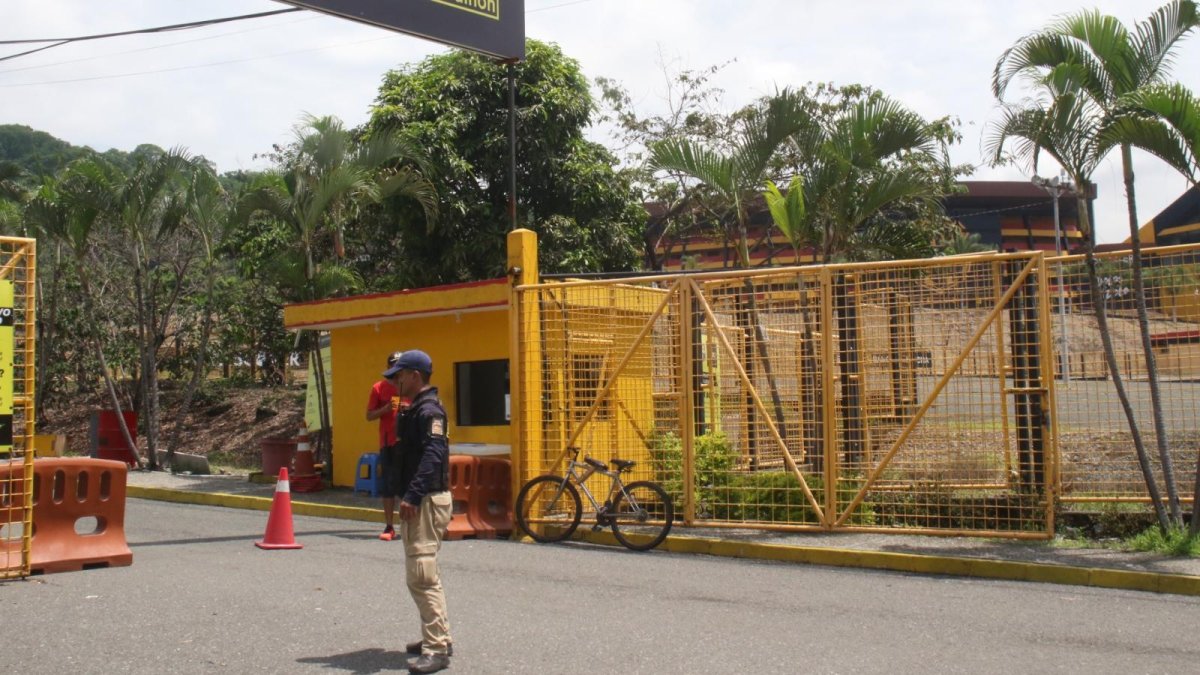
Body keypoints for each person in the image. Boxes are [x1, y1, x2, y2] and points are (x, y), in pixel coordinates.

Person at [383, 349, 453, 675]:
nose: (396, 381)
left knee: (422, 577)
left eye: (399, 375)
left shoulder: (430, 412)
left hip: (424, 500)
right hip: (420, 499)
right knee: (422, 575)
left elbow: (434, 456)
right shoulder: (414, 410)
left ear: (415, 375)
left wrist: (411, 495)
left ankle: (437, 649)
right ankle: (437, 636)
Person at [366, 350, 404, 541]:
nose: (397, 371)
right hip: (388, 441)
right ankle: (389, 525)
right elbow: (369, 415)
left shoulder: (410, 386)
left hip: (406, 442)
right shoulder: (378, 388)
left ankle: (409, 525)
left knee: (408, 483)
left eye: (400, 366)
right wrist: (386, 409)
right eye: (393, 366)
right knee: (388, 485)